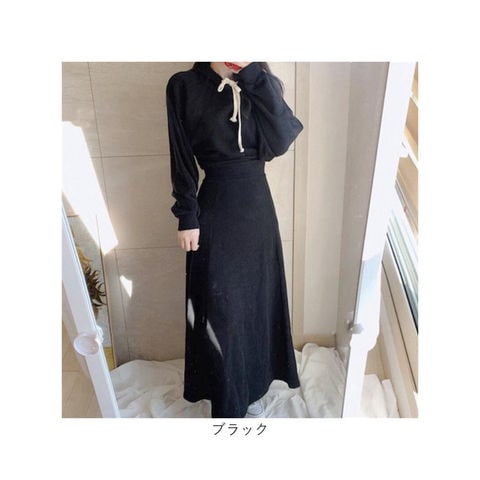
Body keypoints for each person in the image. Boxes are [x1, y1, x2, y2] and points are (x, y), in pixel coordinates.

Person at [166, 62, 303, 418]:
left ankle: (251, 387)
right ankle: (228, 401)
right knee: (220, 311)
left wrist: (252, 75)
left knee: (255, 306)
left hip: (258, 211)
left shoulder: (262, 83)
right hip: (215, 207)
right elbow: (180, 156)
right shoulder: (183, 86)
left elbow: (282, 139)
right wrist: (186, 215)